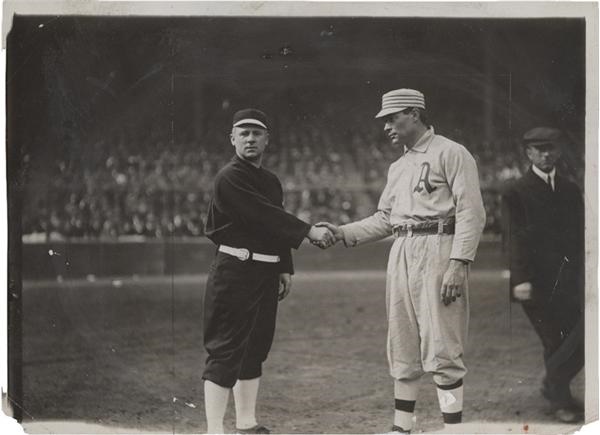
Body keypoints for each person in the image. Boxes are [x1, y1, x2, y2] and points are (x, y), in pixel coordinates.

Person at [319, 89, 486, 433]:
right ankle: (402, 428)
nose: (386, 127)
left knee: (442, 346)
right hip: (402, 252)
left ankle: (453, 428)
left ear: (413, 113)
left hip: (439, 247)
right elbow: (385, 219)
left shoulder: (452, 152)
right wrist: (343, 231)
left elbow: (471, 212)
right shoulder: (398, 166)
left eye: (392, 118)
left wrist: (458, 262)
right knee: (402, 344)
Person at [202, 108, 333, 434]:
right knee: (226, 348)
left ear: (266, 140)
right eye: (243, 133)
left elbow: (273, 225)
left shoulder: (271, 181)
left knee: (256, 347)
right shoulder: (229, 177)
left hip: (264, 272)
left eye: (256, 133)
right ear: (232, 138)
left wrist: (284, 268)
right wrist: (308, 231)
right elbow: (262, 216)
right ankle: (214, 430)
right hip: (235, 269)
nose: (250, 138)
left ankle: (246, 423)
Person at [501, 127, 584, 423]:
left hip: (570, 280)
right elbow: (512, 239)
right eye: (540, 149)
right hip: (534, 282)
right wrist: (520, 279)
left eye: (551, 148)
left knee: (582, 339)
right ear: (529, 153)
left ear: (558, 152)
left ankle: (553, 385)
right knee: (554, 341)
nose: (546, 154)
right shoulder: (515, 192)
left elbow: (580, 235)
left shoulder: (570, 188)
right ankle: (560, 400)